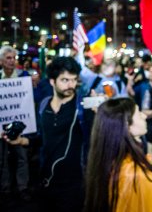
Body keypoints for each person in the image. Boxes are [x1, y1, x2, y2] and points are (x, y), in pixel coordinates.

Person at [5, 56, 95, 212]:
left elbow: (100, 135)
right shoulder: (43, 105)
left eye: (74, 80)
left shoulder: (82, 108)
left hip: (74, 184)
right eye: (65, 80)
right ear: (52, 81)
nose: (71, 85)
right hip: (45, 180)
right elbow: (43, 137)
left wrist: (100, 113)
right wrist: (22, 141)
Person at [0, 46, 31, 205]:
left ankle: (22, 187)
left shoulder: (24, 76)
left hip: (20, 124)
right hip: (1, 124)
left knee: (21, 156)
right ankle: (4, 188)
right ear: (1, 61)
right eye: (8, 58)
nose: (12, 61)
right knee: (2, 158)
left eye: (14, 58)